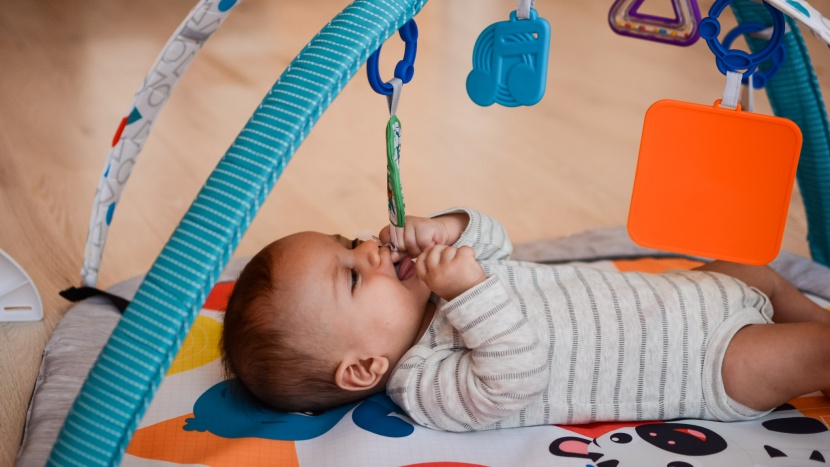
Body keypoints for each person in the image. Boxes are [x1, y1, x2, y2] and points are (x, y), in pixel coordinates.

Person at [221, 207, 830, 431]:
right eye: (353, 275)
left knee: (757, 273)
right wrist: (466, 291)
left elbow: (498, 243)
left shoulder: (436, 284)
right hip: (704, 363)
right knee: (808, 353)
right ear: (362, 367)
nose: (371, 249)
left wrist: (451, 230)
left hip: (680, 297)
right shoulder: (423, 384)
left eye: (348, 241)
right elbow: (515, 377)